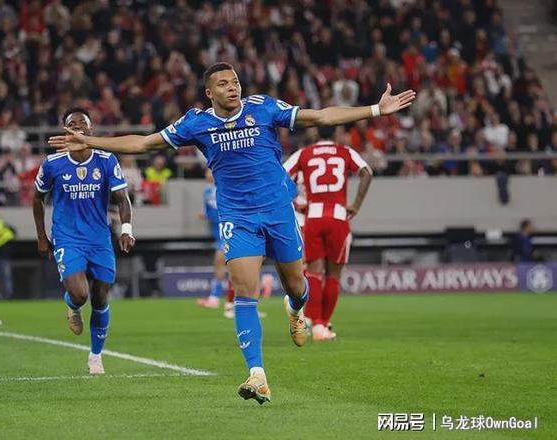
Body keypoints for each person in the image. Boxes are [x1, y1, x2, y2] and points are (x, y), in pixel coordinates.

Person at [49, 62, 415, 403]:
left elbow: (320, 116)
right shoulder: (196, 123)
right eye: (223, 84)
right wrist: (91, 142)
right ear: (209, 92)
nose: (232, 88)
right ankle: (257, 374)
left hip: (278, 210)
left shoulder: (263, 108)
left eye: (235, 81)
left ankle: (295, 309)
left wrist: (376, 110)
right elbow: (143, 143)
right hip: (238, 217)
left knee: (296, 286)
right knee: (244, 290)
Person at [33, 107, 136, 375]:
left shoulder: (106, 160)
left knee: (100, 297)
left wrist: (126, 229)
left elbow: (122, 198)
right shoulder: (53, 163)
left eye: (83, 122)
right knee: (80, 294)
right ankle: (72, 305)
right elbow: (37, 197)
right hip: (67, 238)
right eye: (72, 123)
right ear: (65, 130)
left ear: (90, 130)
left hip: (99, 239)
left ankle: (96, 356)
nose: (78, 125)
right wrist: (42, 236)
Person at [284, 133, 373, 340]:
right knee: (333, 275)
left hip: (313, 217)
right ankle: (322, 324)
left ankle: (314, 323)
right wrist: (356, 205)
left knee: (314, 272)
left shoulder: (304, 153)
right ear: (337, 134)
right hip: (338, 217)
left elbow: (280, 173)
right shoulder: (345, 152)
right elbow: (367, 172)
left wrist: (296, 202)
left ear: (316, 134)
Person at [196, 168, 227, 310]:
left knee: (220, 262)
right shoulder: (207, 191)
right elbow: (207, 212)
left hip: (228, 231)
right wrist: (204, 214)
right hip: (218, 233)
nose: (208, 174)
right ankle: (220, 298)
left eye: (210, 171)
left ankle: (216, 297)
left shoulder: (225, 187)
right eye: (207, 172)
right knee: (221, 264)